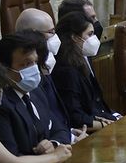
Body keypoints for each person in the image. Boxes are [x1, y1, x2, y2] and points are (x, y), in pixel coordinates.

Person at [0, 34, 73, 150]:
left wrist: (54, 144)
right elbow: (11, 154)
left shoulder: (37, 91)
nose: (34, 69)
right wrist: (41, 154)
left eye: (35, 62)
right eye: (26, 64)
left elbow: (60, 128)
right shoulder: (0, 104)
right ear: (4, 69)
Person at [12, 10, 79, 142]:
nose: (55, 36)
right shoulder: (27, 77)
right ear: (33, 33)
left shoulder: (47, 64)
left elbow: (53, 118)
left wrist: (69, 134)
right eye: (51, 32)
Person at [51, 12, 118, 131]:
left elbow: (95, 104)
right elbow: (74, 116)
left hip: (99, 120)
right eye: (90, 34)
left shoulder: (82, 60)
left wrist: (114, 118)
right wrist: (105, 124)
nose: (94, 39)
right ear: (75, 37)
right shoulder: (67, 71)